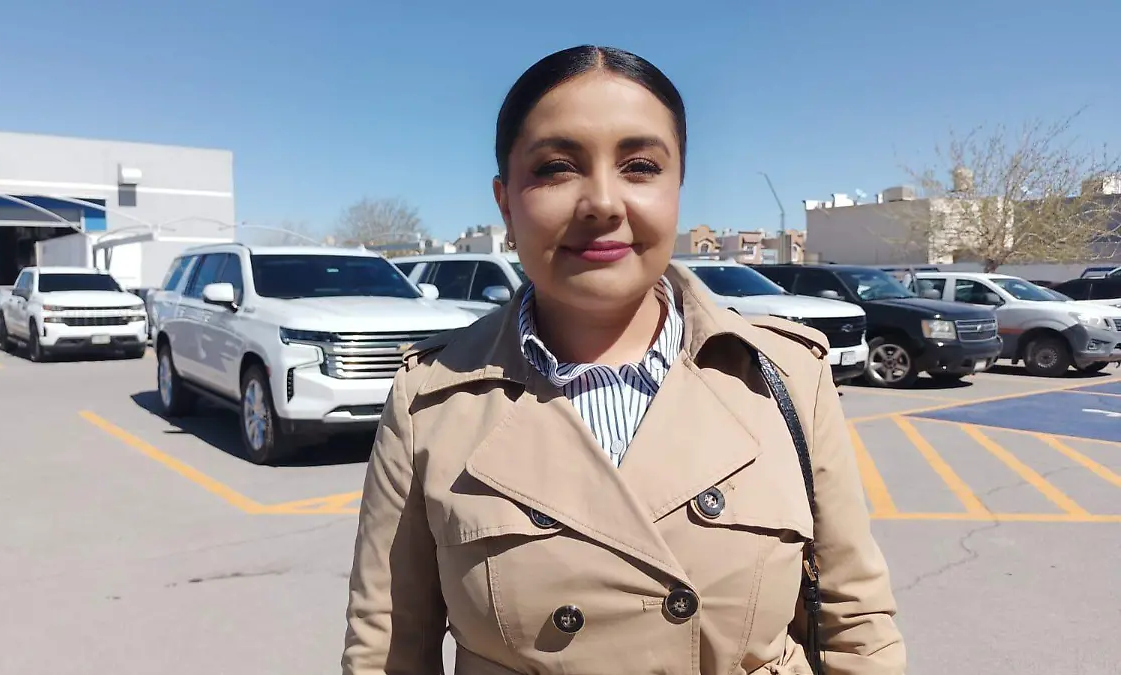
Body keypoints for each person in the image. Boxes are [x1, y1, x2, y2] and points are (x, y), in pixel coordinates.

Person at [342, 45, 905, 675]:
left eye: (640, 166)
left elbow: (856, 626)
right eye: (557, 168)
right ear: (505, 204)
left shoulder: (785, 376)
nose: (603, 203)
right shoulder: (430, 401)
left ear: (678, 189)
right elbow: (387, 652)